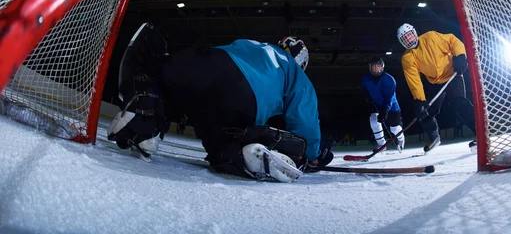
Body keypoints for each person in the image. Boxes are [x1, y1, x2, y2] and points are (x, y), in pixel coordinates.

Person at [107, 23, 333, 182]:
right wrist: (311, 155)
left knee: (159, 69)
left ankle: (145, 119)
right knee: (223, 152)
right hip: (245, 101)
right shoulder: (297, 74)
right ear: (301, 62)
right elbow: (304, 119)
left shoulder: (253, 44)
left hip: (210, 66)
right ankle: (240, 155)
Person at [396, 23, 477, 153]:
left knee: (459, 103)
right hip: (434, 82)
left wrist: (460, 55)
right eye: (405, 39)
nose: (409, 40)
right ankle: (434, 137)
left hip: (452, 74)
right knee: (424, 111)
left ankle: (479, 132)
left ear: (414, 33)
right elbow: (414, 80)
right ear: (402, 42)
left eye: (410, 36)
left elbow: (452, 41)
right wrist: (420, 100)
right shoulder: (407, 58)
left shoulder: (431, 37)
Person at [361, 57, 405, 153]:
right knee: (373, 120)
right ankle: (382, 144)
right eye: (374, 67)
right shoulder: (366, 79)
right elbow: (365, 91)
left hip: (392, 107)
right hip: (377, 105)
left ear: (382, 67)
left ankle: (401, 140)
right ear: (370, 68)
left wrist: (385, 110)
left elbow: (389, 97)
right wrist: (369, 100)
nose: (376, 69)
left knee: (394, 128)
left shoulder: (389, 80)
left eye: (378, 66)